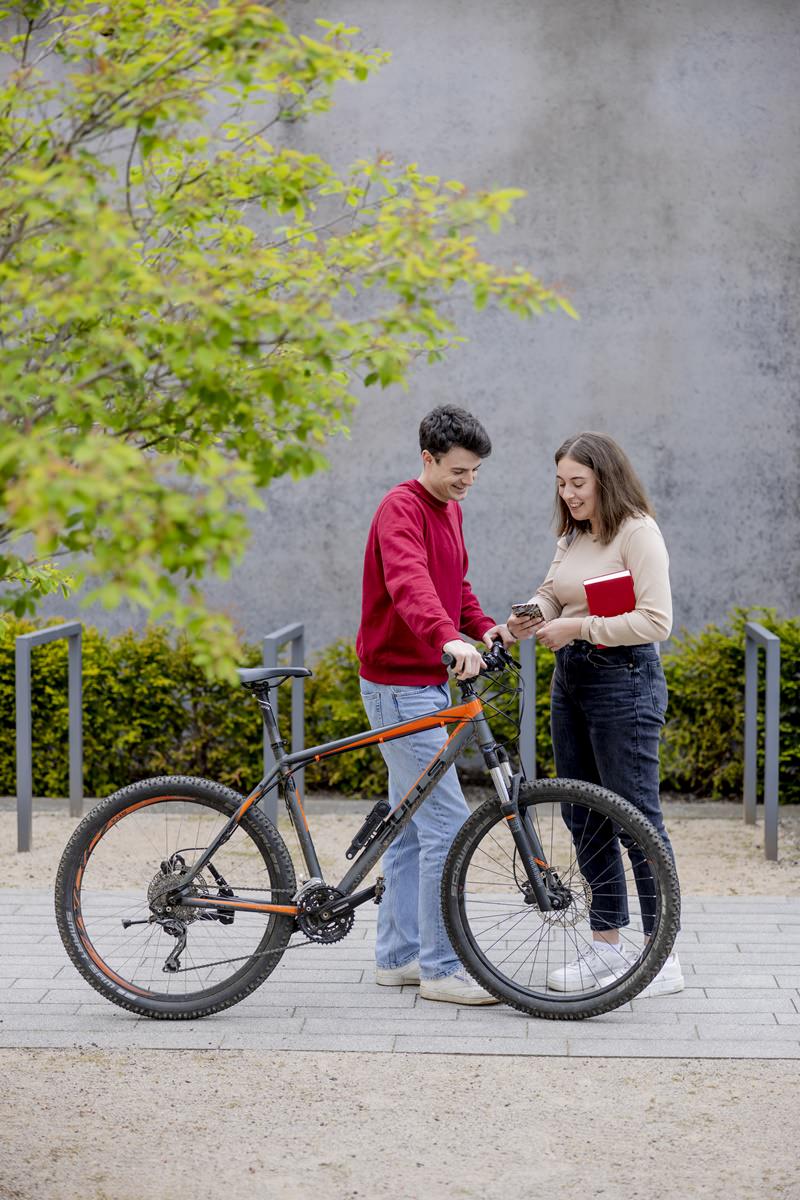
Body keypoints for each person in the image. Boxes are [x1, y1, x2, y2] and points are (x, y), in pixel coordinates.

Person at [507, 431, 684, 997]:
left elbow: (656, 622)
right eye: (561, 483)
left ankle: (663, 956)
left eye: (577, 483)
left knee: (636, 817)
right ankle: (606, 947)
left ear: (605, 478)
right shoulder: (574, 533)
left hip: (624, 680)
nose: (568, 493)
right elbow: (554, 592)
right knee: (584, 815)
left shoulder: (638, 533)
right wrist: (532, 615)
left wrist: (577, 627)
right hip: (573, 681)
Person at [357, 405, 513, 1004]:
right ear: (428, 458)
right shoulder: (401, 509)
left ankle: (397, 959)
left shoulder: (451, 510)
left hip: (421, 684)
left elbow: (456, 586)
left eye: (474, 471)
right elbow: (410, 584)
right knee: (447, 825)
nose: (467, 481)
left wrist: (483, 627)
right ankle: (443, 969)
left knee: (411, 827)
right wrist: (446, 637)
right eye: (457, 471)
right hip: (399, 688)